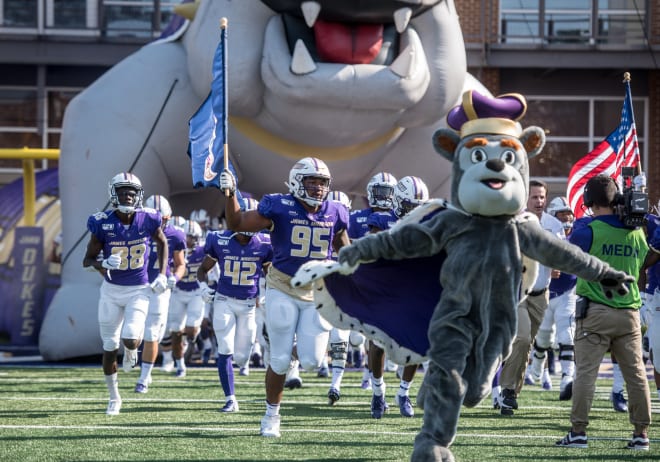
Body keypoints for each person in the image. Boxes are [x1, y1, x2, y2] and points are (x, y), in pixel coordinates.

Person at [219, 157, 350, 438]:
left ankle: (293, 348)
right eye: (311, 181)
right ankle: (271, 417)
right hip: (282, 287)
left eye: (322, 182)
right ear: (296, 182)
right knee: (278, 361)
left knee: (313, 361)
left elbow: (341, 242)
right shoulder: (278, 206)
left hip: (316, 291)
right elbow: (237, 222)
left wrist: (351, 266)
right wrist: (230, 195)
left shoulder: (336, 210)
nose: (317, 187)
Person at [556, 174, 651, 450]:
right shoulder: (636, 232)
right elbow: (644, 258)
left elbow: (568, 258)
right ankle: (641, 435)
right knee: (636, 375)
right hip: (629, 313)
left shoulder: (588, 229)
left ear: (589, 200)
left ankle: (578, 433)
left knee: (586, 373)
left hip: (595, 311)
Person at [82, 172, 168, 415]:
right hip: (111, 291)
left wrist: (162, 274)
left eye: (132, 192)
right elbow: (86, 260)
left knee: (130, 338)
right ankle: (114, 397)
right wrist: (102, 264)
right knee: (109, 346)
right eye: (123, 192)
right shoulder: (102, 222)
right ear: (113, 194)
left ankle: (131, 350)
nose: (128, 196)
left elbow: (162, 243)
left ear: (139, 195)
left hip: (138, 289)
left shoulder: (149, 219)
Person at [198, 198, 272, 412]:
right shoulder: (219, 239)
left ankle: (237, 375)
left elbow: (272, 275)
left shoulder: (265, 244)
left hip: (249, 304)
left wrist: (270, 293)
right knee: (225, 349)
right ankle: (231, 399)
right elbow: (202, 270)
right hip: (224, 301)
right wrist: (203, 287)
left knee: (241, 357)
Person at [498, 180, 564, 415]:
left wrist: (556, 265)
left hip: (540, 294)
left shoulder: (554, 225)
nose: (539, 201)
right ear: (525, 199)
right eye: (534, 197)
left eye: (542, 197)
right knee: (523, 338)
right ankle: (506, 391)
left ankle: (510, 392)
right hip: (516, 293)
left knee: (526, 346)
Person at [524, 196, 578, 399]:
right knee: (544, 337)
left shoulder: (579, 234)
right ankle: (536, 368)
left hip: (567, 292)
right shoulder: (545, 231)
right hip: (546, 292)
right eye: (562, 214)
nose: (566, 218)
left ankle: (567, 378)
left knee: (567, 334)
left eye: (568, 214)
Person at [135, 194, 186, 393]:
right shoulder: (135, 230)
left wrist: (174, 278)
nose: (160, 223)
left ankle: (144, 378)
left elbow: (180, 264)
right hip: (135, 286)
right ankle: (133, 355)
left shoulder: (175, 234)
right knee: (131, 333)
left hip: (159, 287)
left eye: (164, 219)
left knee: (152, 333)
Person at [390, 175, 430, 418]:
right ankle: (377, 389)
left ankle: (403, 392)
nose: (412, 213)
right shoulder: (382, 221)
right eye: (408, 207)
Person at [166, 219, 207, 378]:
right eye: (190, 237)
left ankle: (193, 338)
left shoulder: (202, 250)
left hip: (196, 291)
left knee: (190, 329)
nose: (193, 240)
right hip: (178, 291)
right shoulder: (174, 248)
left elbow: (212, 269)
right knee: (175, 331)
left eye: (195, 237)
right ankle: (180, 365)